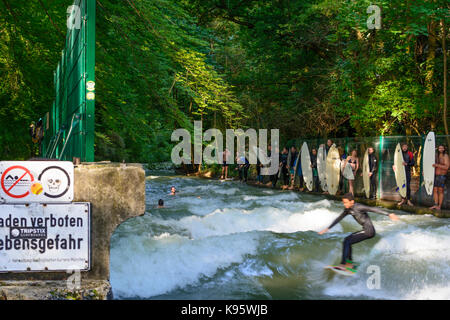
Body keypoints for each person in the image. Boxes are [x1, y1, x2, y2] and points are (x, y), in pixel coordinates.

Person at [318, 193, 399, 271]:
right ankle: (349, 263)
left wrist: (389, 214)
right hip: (365, 230)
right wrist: (327, 228)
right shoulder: (348, 209)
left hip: (368, 231)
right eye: (343, 203)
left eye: (346, 202)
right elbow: (339, 218)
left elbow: (373, 209)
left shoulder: (358, 207)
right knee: (348, 240)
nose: (344, 204)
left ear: (352, 202)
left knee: (347, 241)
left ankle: (343, 265)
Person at [430, 145, 449, 210]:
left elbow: (447, 167)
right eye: (439, 148)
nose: (440, 149)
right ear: (438, 149)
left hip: (442, 176)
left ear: (444, 149)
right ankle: (435, 205)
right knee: (435, 190)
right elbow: (430, 164)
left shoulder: (445, 156)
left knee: (440, 191)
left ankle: (439, 206)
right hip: (435, 175)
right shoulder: (436, 155)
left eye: (442, 148)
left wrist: (437, 165)